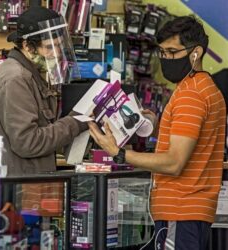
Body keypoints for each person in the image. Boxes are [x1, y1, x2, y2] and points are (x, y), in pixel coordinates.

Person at [89, 16, 226, 250]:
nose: (166, 59)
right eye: (162, 53)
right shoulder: (204, 88)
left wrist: (118, 153)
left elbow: (174, 162)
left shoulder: (190, 94)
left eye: (172, 52)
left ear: (197, 53)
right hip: (190, 211)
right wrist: (156, 123)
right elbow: (194, 140)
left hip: (181, 211)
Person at [0, 6, 87, 175]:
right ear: (28, 45)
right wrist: (75, 123)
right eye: (50, 47)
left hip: (24, 182)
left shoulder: (27, 73)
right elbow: (28, 143)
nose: (57, 53)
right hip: (17, 186)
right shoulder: (16, 79)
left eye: (59, 46)